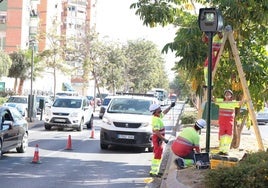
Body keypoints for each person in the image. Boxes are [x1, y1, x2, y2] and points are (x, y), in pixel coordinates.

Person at [149, 102, 175, 177]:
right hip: (158, 139)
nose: (160, 110)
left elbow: (164, 112)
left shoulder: (158, 116)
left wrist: (170, 106)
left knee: (159, 154)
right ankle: (153, 172)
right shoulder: (156, 120)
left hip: (159, 139)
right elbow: (157, 132)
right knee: (157, 155)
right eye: (159, 109)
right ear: (155, 111)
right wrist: (164, 139)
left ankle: (156, 171)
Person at [215, 89, 242, 155]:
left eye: (229, 94)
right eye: (226, 93)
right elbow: (214, 100)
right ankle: (221, 150)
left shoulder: (233, 102)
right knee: (221, 137)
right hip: (222, 123)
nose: (227, 95)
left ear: (231, 95)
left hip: (229, 124)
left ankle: (226, 151)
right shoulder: (220, 101)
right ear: (224, 95)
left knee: (228, 137)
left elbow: (241, 103)